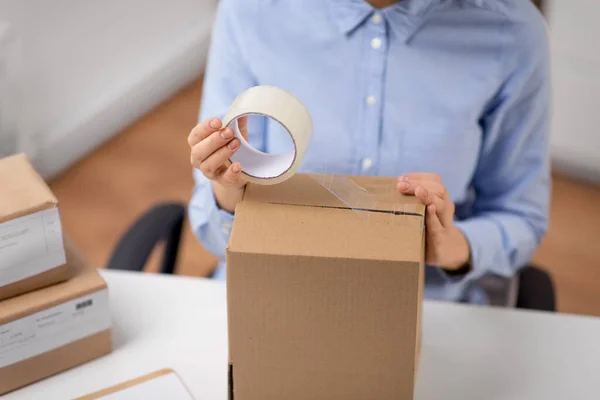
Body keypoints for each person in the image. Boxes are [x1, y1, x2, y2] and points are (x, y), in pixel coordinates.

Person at [187, 0, 551, 304]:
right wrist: (228, 191)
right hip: (272, 293)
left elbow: (520, 216)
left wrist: (455, 247)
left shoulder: (510, 32)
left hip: (426, 307)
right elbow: (214, 234)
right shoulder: (253, 11)